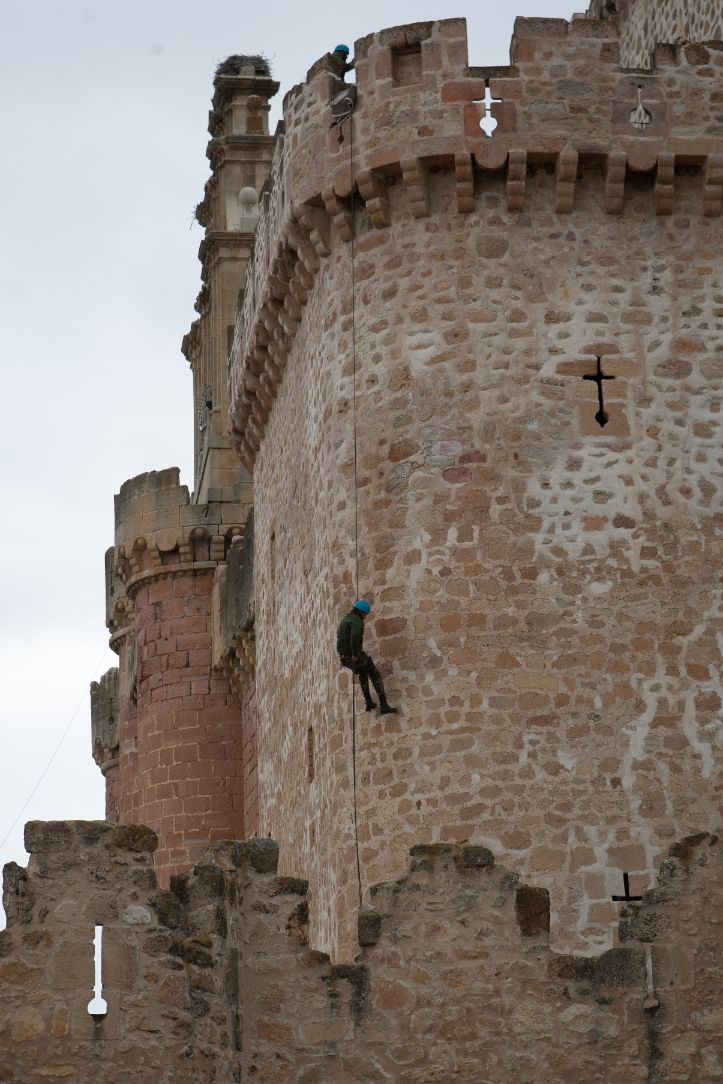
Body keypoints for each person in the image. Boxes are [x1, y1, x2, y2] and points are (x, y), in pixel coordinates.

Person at [337, 600, 398, 714]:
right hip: (353, 655)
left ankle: (369, 702)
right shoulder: (357, 621)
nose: (365, 617)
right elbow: (354, 636)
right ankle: (384, 705)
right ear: (360, 612)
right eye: (365, 614)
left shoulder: (346, 619)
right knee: (374, 673)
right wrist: (355, 653)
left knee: (363, 672)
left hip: (344, 658)